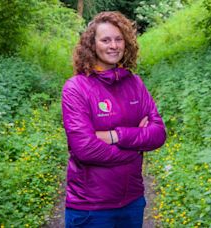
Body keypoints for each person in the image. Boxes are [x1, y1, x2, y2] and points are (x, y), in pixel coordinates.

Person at [61, 11, 166, 228]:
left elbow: (158, 133)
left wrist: (115, 135)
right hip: (91, 207)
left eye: (119, 39)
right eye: (106, 40)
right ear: (92, 44)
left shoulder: (135, 83)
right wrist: (135, 148)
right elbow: (85, 149)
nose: (113, 46)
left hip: (133, 201)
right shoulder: (76, 88)